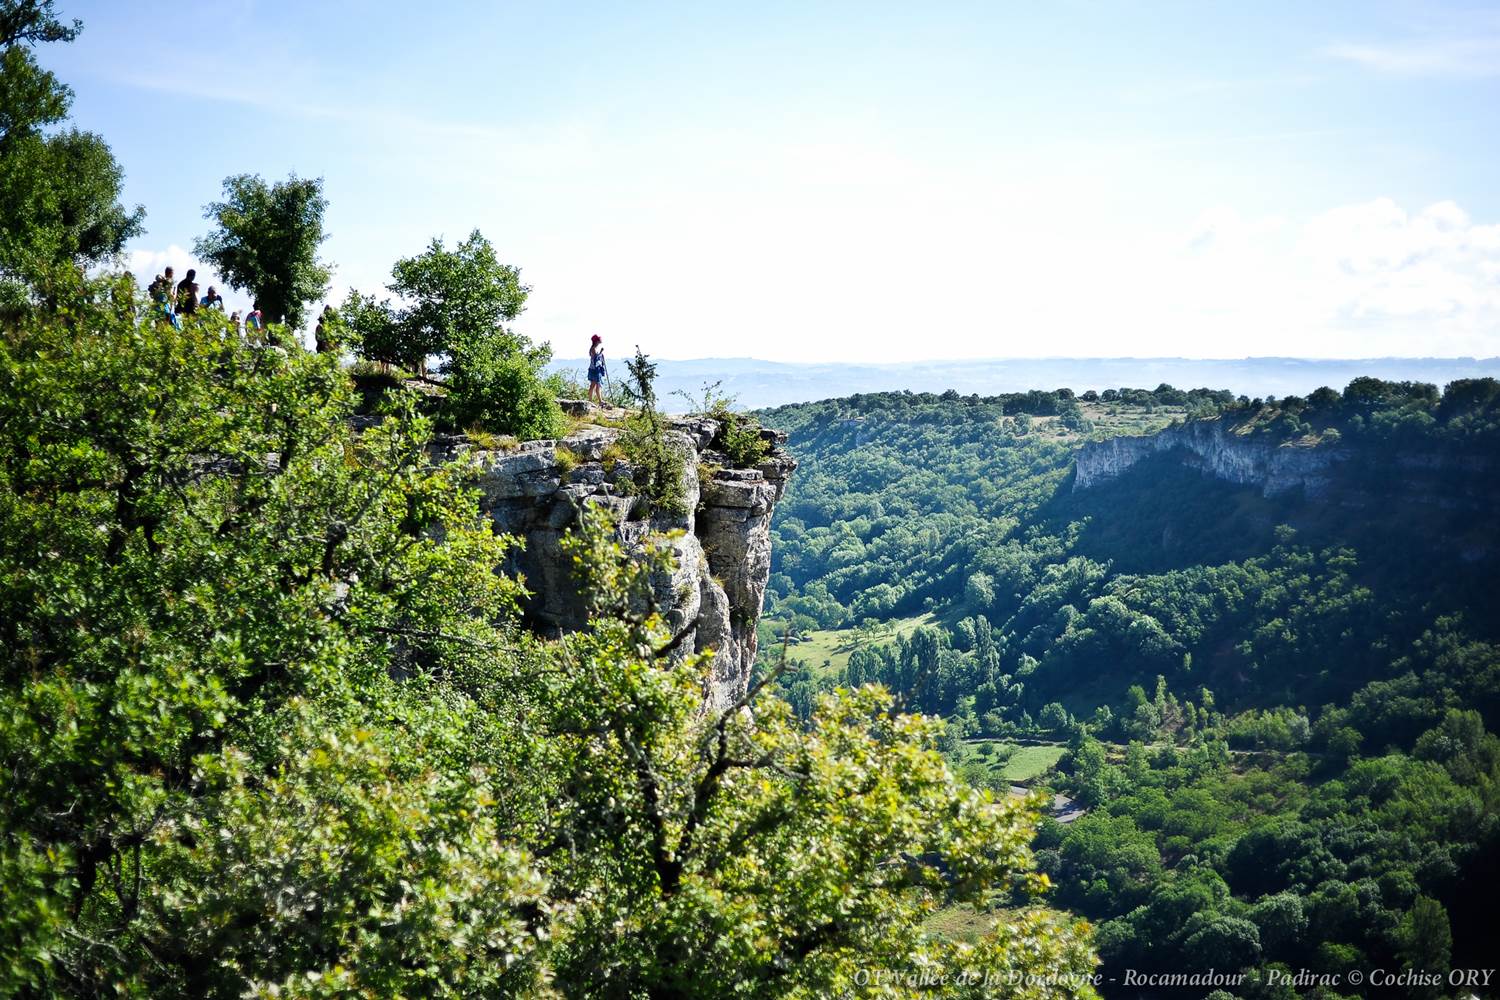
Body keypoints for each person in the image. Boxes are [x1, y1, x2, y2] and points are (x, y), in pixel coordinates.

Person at [587, 334, 607, 405]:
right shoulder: (593, 349)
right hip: (594, 370)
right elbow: (596, 358)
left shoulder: (594, 348)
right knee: (593, 385)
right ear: (596, 341)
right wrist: (601, 353)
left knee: (598, 385)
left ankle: (600, 401)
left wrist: (601, 354)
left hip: (596, 369)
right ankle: (590, 401)